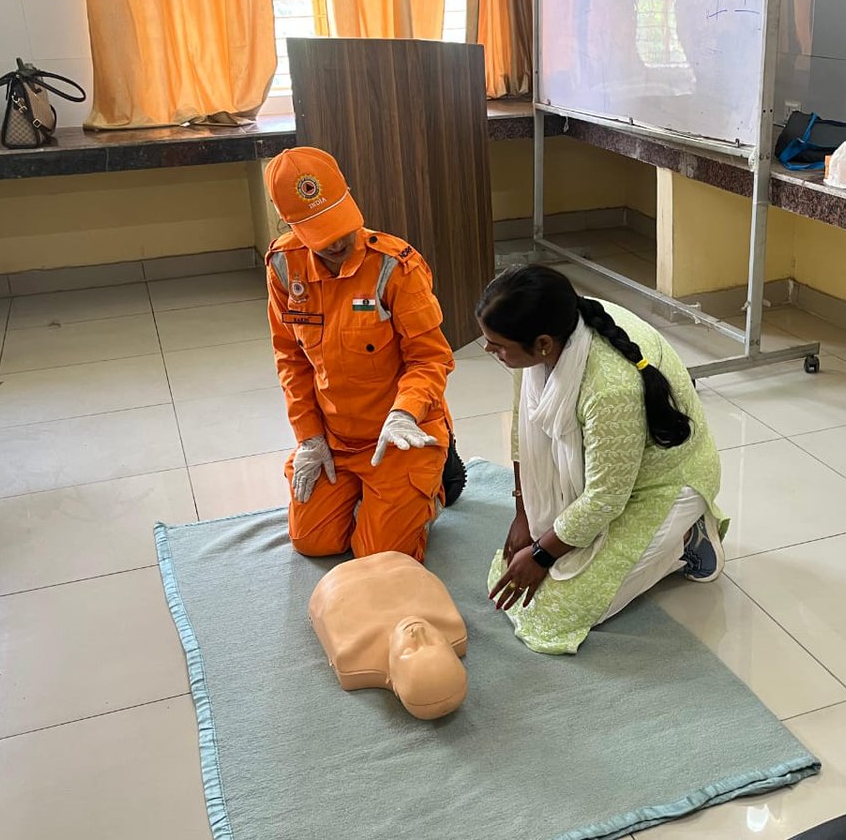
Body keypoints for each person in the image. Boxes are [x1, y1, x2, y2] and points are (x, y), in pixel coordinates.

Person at [478, 265, 728, 654]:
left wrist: (543, 554)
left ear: (543, 344)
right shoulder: (545, 330)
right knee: (510, 575)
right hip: (607, 473)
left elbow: (605, 498)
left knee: (556, 612)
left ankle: (687, 536)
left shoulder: (610, 387)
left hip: (661, 485)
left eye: (496, 345)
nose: (487, 350)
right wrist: (523, 512)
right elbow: (522, 428)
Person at [263, 146, 464, 563]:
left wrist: (406, 412)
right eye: (319, 232)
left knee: (379, 557)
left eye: (339, 223)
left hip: (399, 435)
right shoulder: (284, 266)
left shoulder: (395, 267)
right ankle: (367, 496)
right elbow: (291, 360)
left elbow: (430, 358)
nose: (336, 241)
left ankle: (434, 482)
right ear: (289, 224)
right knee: (312, 541)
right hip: (335, 438)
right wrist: (310, 439)